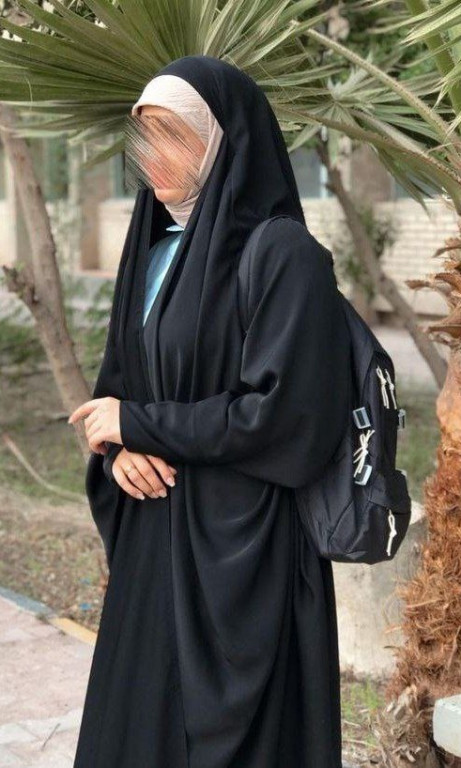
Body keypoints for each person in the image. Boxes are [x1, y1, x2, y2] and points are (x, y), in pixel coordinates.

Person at [69, 54, 352, 768]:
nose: (154, 156)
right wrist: (120, 449)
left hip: (245, 560)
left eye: (176, 135)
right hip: (156, 546)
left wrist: (140, 425)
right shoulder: (153, 248)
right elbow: (121, 391)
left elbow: (285, 418)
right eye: (146, 136)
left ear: (226, 139)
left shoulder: (283, 254)